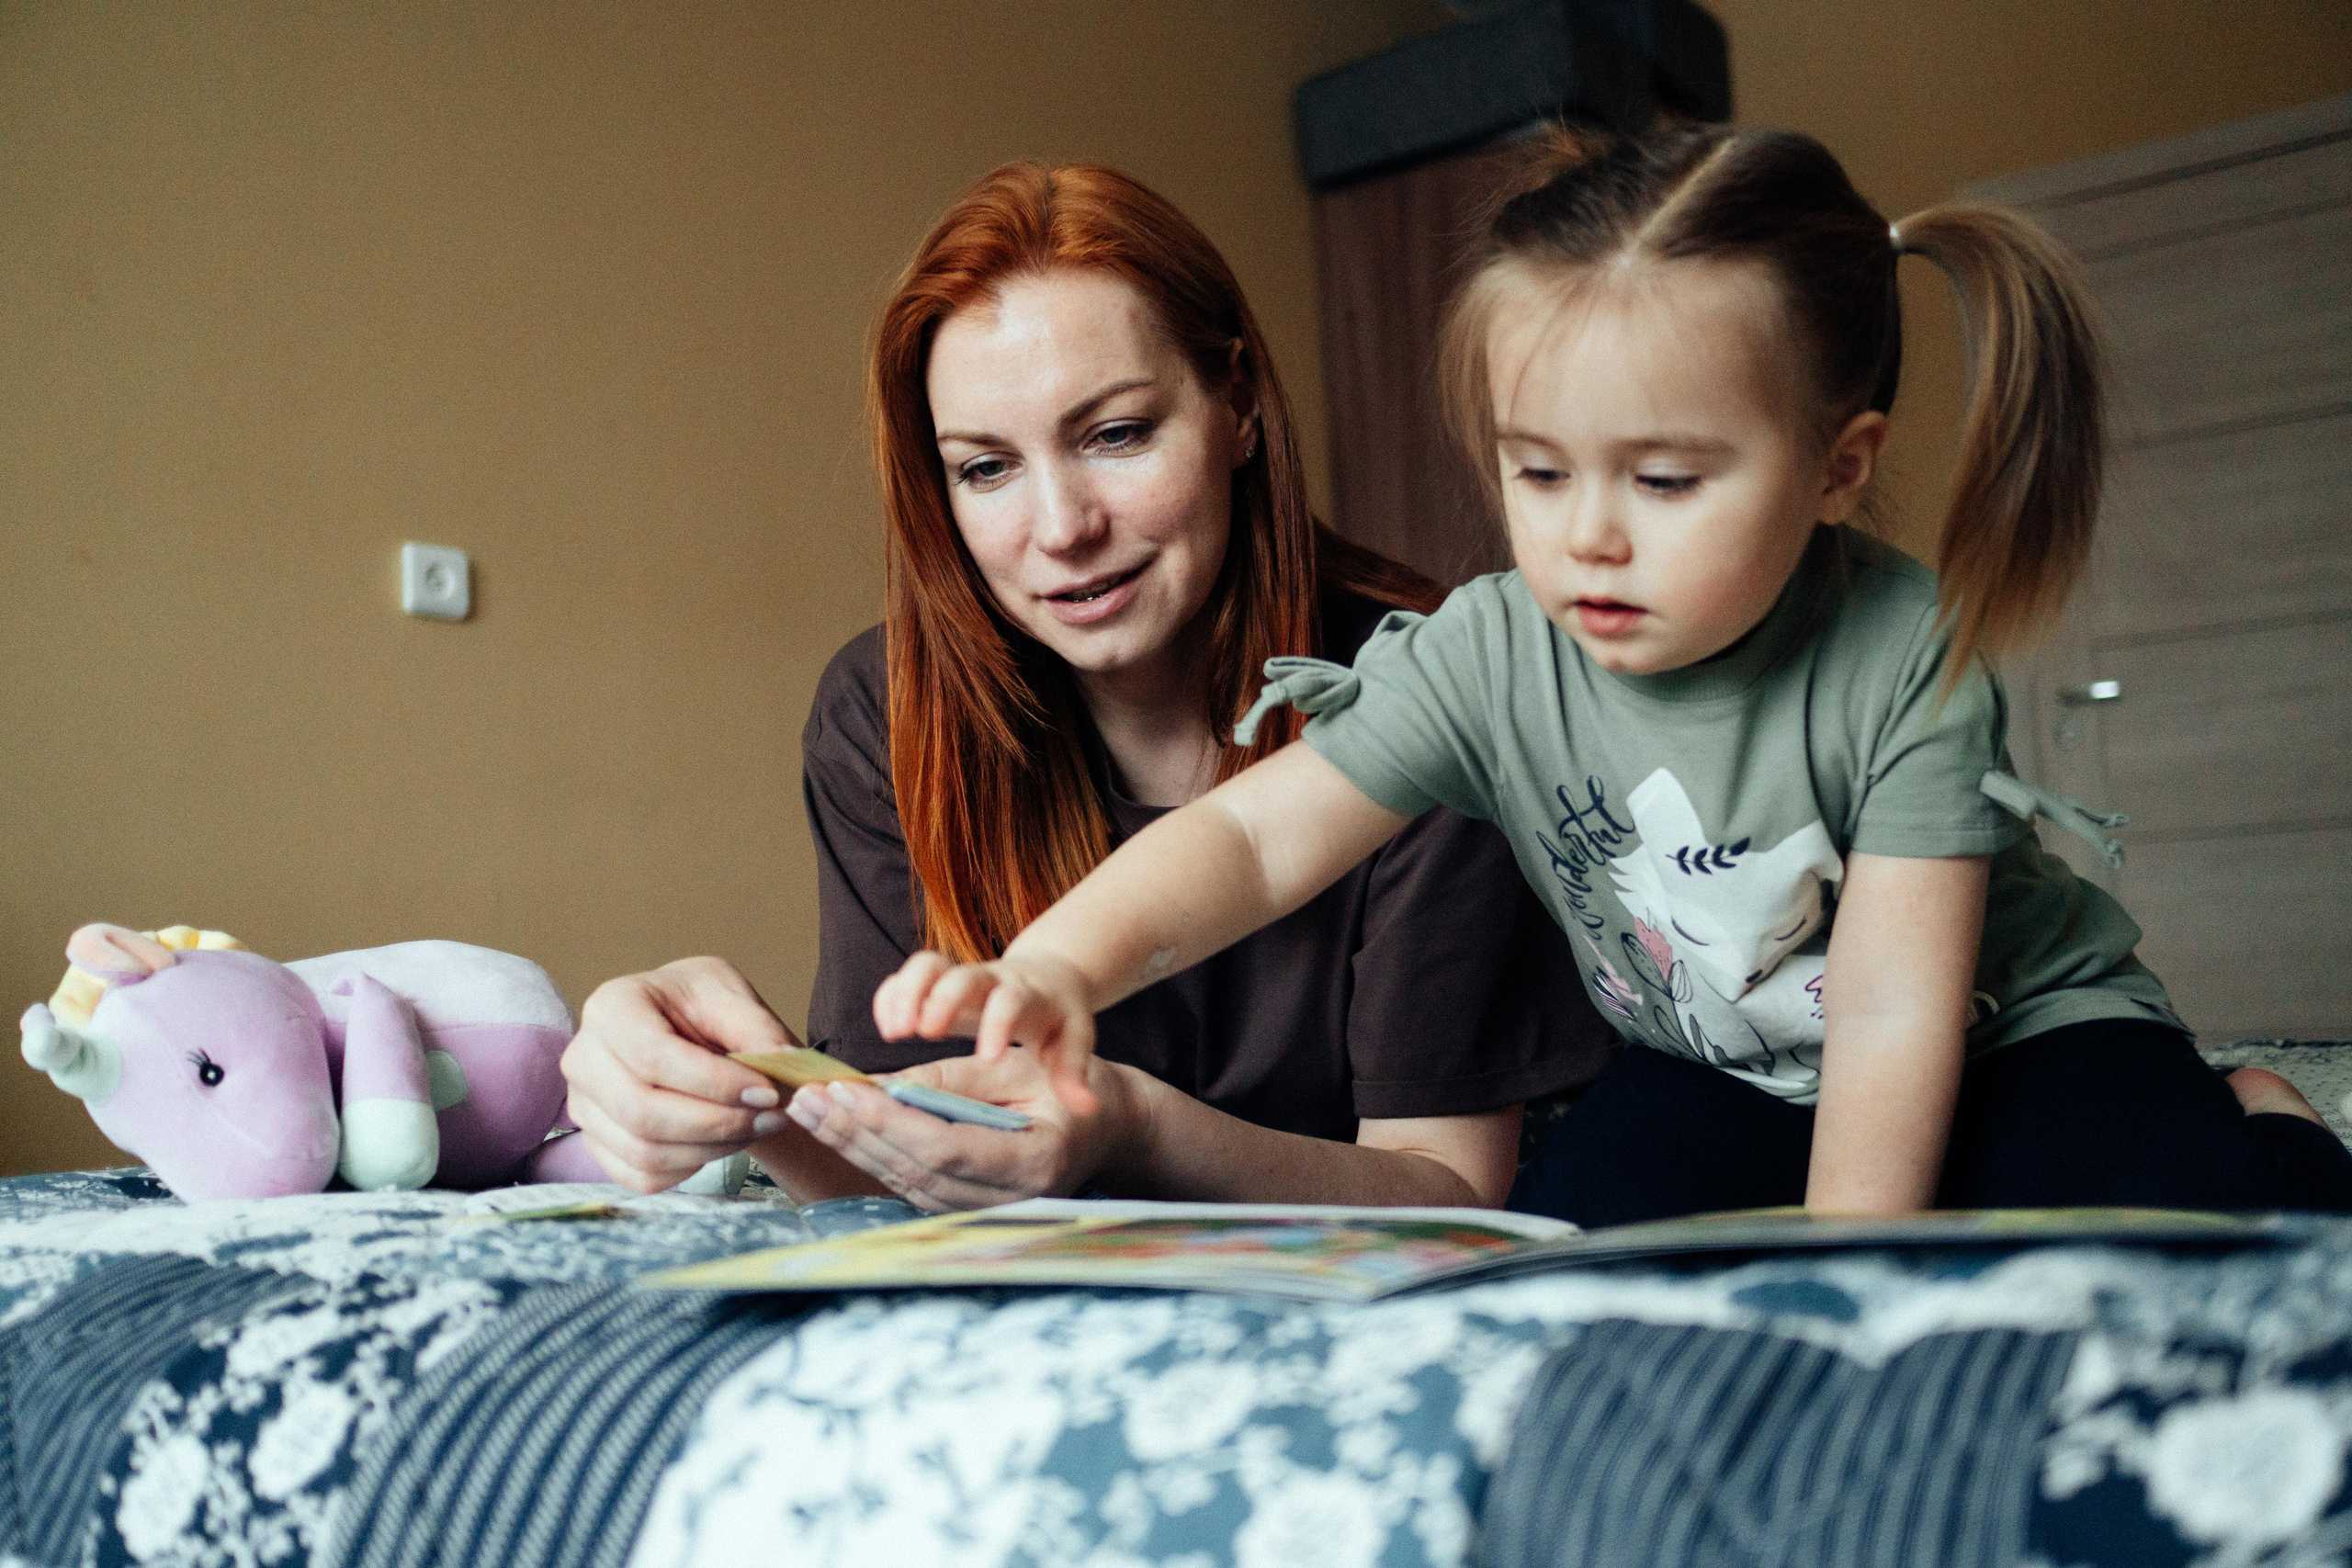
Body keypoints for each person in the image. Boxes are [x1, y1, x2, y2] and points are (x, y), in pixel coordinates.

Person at [873, 124, 2352, 1224]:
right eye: (1536, 469)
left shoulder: (1907, 653)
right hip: (1726, 1060)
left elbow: (1897, 1017)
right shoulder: (1494, 642)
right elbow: (1257, 835)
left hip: (2016, 1030)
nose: (1589, 537)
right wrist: (1055, 963)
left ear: (1838, 471)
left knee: (2163, 1243)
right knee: (1574, 1254)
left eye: (1661, 477)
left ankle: (2272, 1122)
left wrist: (1847, 1283)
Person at [560, 161, 1613, 1212]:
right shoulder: (883, 712)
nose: (1061, 529)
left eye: (1115, 434)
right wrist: (738, 1093)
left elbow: (1450, 1193)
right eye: (986, 468)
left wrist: (1135, 1132)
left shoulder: (1427, 692)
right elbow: (904, 1172)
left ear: (1238, 405)